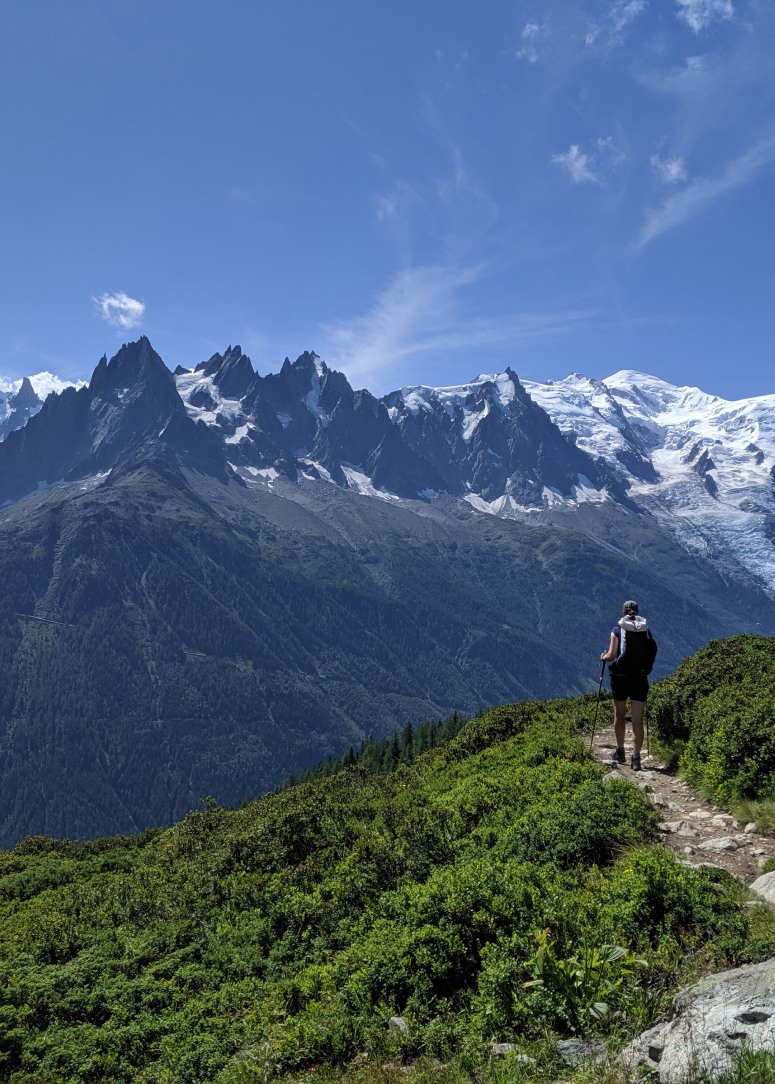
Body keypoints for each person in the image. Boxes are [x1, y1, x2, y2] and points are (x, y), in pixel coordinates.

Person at [600, 600, 656, 771]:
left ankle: (621, 751)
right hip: (639, 678)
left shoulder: (617, 630)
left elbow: (611, 655)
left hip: (621, 678)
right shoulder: (645, 630)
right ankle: (637, 758)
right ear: (637, 612)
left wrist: (603, 657)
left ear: (623, 612)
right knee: (638, 721)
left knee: (620, 715)